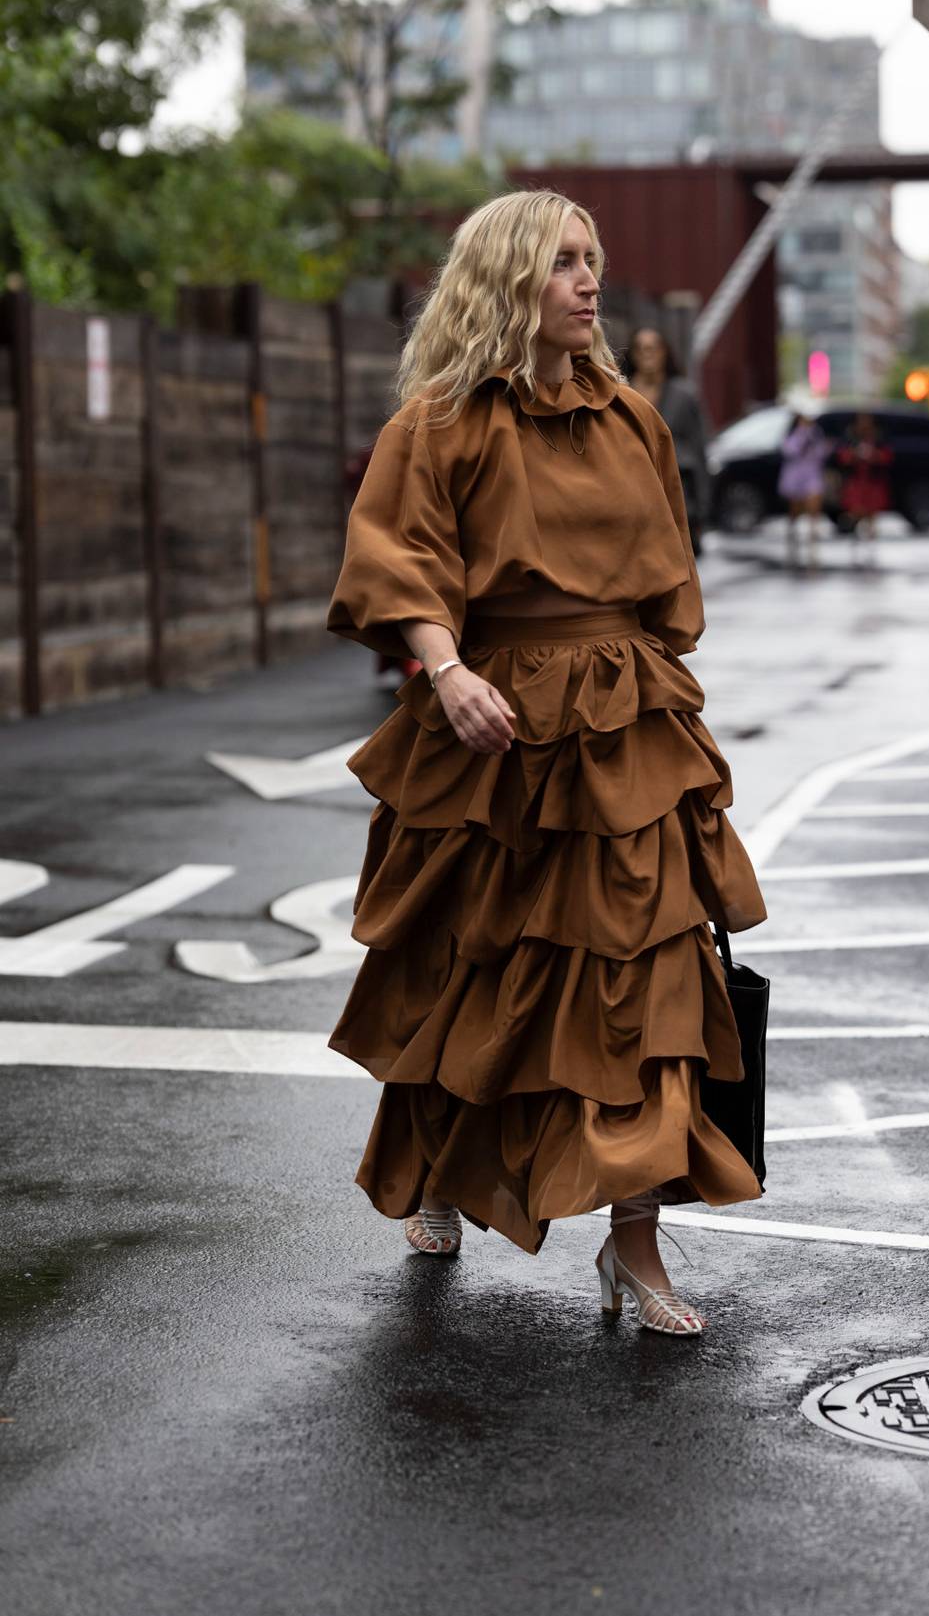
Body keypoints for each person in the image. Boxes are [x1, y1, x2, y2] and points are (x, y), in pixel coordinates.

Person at [326, 189, 768, 1337]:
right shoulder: (439, 423)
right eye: (566, 262)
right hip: (490, 733)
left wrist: (650, 698)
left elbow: (669, 590)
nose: (591, 281)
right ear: (506, 281)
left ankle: (636, 1247)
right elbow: (399, 558)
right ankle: (432, 1168)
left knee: (649, 990)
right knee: (466, 970)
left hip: (625, 736)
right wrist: (444, 665)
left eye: (596, 261)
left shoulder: (635, 420)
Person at [625, 326, 711, 554]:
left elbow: (700, 447)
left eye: (653, 348)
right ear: (633, 355)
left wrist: (702, 507)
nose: (647, 354)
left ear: (665, 352)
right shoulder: (621, 394)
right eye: (641, 349)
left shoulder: (684, 395)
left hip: (677, 493)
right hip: (632, 495)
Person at [777, 409, 831, 563]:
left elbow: (821, 453)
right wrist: (801, 436)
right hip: (795, 476)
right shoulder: (794, 434)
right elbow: (789, 450)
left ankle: (812, 536)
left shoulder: (816, 433)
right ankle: (792, 532)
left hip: (812, 474)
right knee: (795, 509)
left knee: (814, 505)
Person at [835, 411, 893, 549]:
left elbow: (887, 456)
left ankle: (871, 539)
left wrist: (874, 455)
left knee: (872, 510)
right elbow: (842, 456)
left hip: (873, 480)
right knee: (856, 508)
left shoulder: (878, 437)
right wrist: (854, 455)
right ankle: (854, 529)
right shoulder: (850, 437)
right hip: (856, 480)